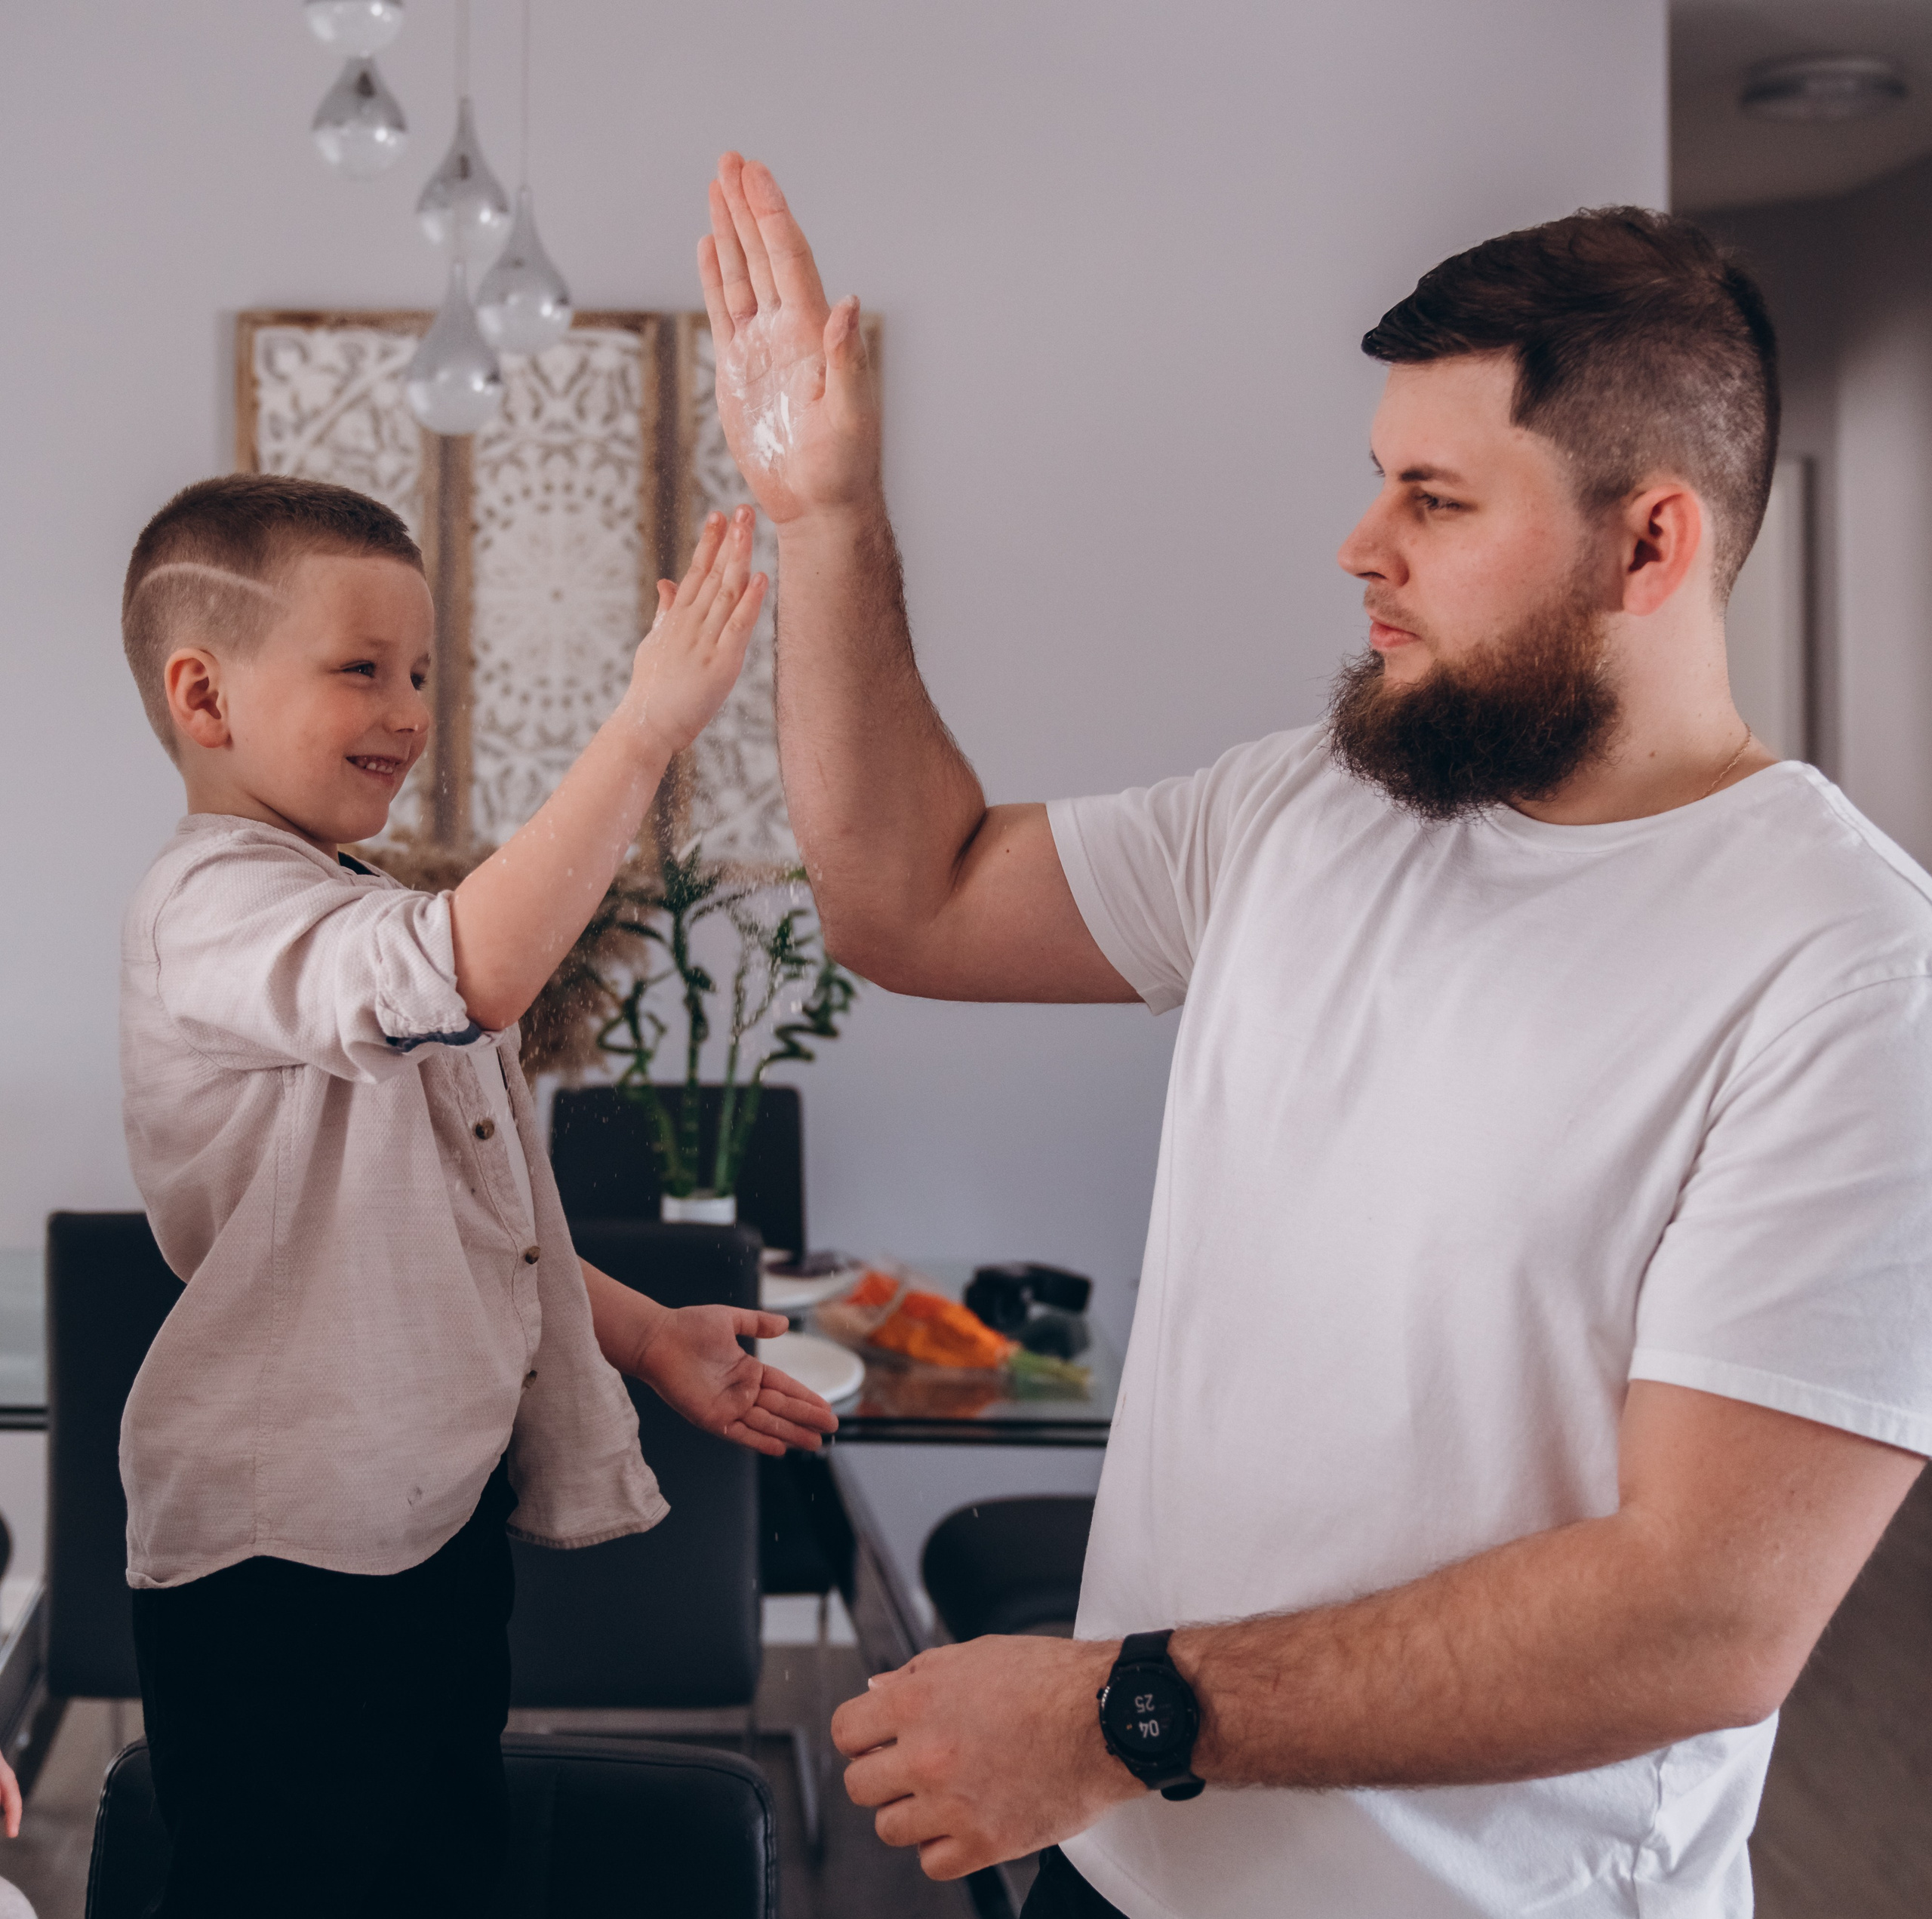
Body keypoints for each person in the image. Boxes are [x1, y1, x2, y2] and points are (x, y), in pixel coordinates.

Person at [694, 154, 1932, 1918]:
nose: (1360, 546)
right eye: (1377, 484)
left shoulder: (1845, 969)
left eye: (1432, 498)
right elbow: (915, 895)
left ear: (1647, 540)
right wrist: (826, 522)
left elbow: (1702, 1613)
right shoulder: (1312, 804)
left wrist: (1116, 1711)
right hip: (1123, 1862)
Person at [115, 475, 838, 1917]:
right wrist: (643, 731)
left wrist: (639, 1335)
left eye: (423, 673)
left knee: (436, 1875)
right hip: (282, 1560)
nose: (406, 707)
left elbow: (461, 1225)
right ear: (206, 698)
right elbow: (475, 968)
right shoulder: (212, 907)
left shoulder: (340, 905)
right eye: (361, 670)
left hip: (423, 1527)